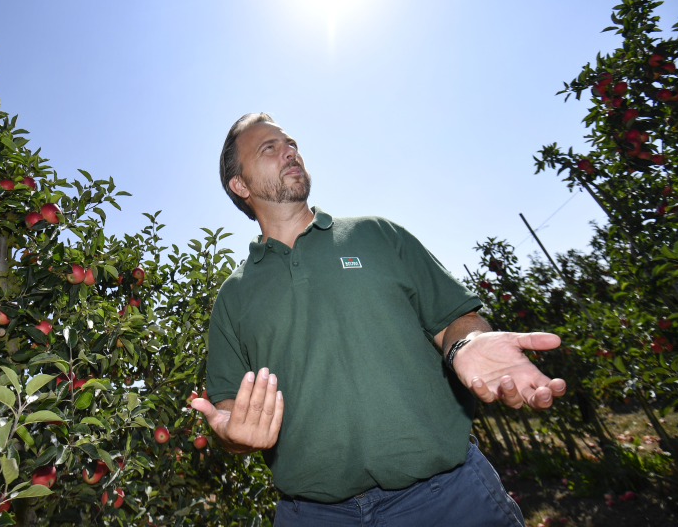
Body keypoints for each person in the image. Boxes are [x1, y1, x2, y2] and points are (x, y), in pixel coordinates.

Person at [190, 113, 567, 527]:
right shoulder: (233, 297)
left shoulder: (378, 235)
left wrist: (466, 343)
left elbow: (457, 322)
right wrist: (232, 436)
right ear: (240, 185)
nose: (290, 151)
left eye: (290, 142)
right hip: (312, 515)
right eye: (270, 147)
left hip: (448, 498)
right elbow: (228, 410)